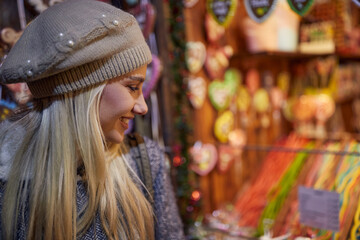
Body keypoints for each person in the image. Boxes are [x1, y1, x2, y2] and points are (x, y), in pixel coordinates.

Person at [0, 0, 185, 239]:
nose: (142, 107)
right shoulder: (8, 182)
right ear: (84, 92)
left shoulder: (144, 163)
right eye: (131, 87)